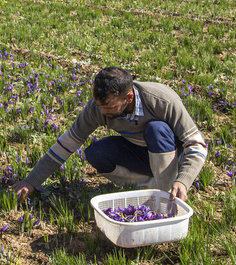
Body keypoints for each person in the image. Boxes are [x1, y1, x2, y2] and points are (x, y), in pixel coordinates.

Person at [12, 66, 207, 201]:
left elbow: (196, 144)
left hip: (170, 156)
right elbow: (68, 143)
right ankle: (144, 186)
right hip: (140, 153)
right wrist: (32, 181)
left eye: (109, 107)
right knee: (96, 152)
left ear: (129, 97)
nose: (103, 112)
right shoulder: (98, 108)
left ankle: (166, 193)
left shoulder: (162, 100)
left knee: (156, 129)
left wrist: (184, 180)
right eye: (99, 106)